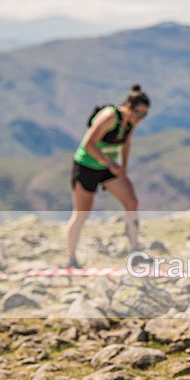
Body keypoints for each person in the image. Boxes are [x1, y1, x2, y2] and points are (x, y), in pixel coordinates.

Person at [66, 84, 150, 268]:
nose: (140, 119)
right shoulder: (109, 116)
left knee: (131, 202)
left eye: (144, 115)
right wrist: (111, 163)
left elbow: (126, 143)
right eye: (138, 113)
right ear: (128, 106)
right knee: (82, 212)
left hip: (108, 168)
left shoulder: (131, 122)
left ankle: (135, 250)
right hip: (87, 166)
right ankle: (71, 258)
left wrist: (123, 167)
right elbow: (88, 144)